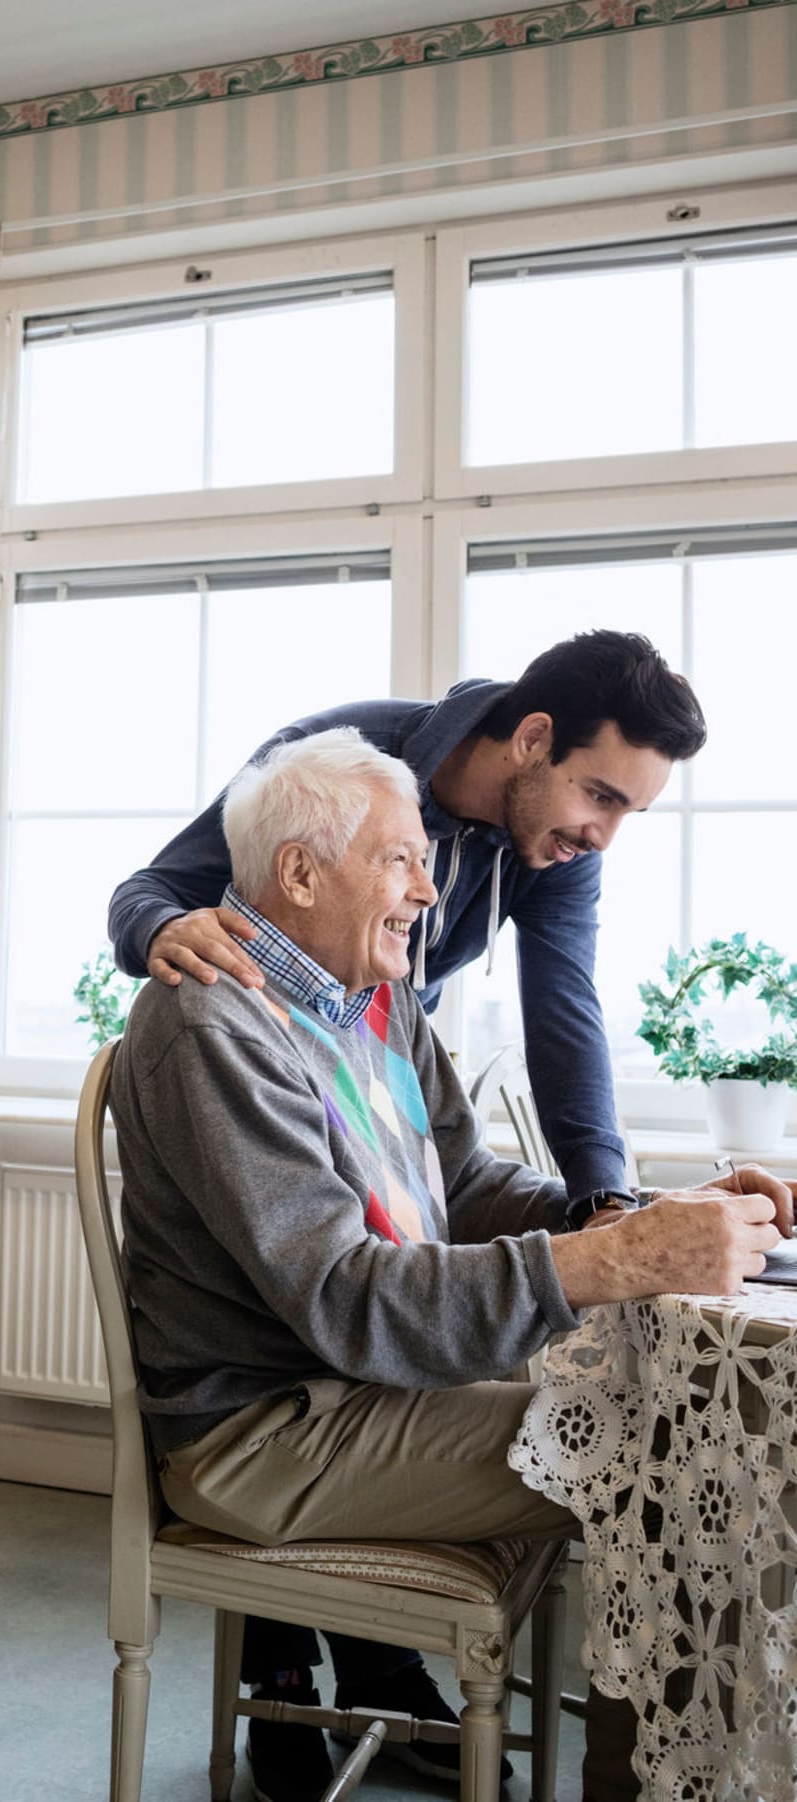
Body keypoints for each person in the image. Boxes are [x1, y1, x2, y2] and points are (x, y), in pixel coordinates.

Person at [110, 729, 793, 1802]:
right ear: (298, 872)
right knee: (667, 1446)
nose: (432, 889)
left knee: (687, 1402)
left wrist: (632, 1212)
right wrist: (607, 1258)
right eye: (401, 859)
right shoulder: (211, 1021)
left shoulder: (372, 998)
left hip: (368, 1391)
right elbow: (348, 1299)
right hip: (271, 1430)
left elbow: (466, 1182)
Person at [109, 628, 707, 1216]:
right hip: (275, 1066)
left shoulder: (559, 844)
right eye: (601, 797)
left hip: (388, 1064)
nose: (604, 838)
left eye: (630, 811)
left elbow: (564, 1010)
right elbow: (151, 889)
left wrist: (604, 1201)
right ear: (533, 738)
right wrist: (160, 927)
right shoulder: (337, 765)